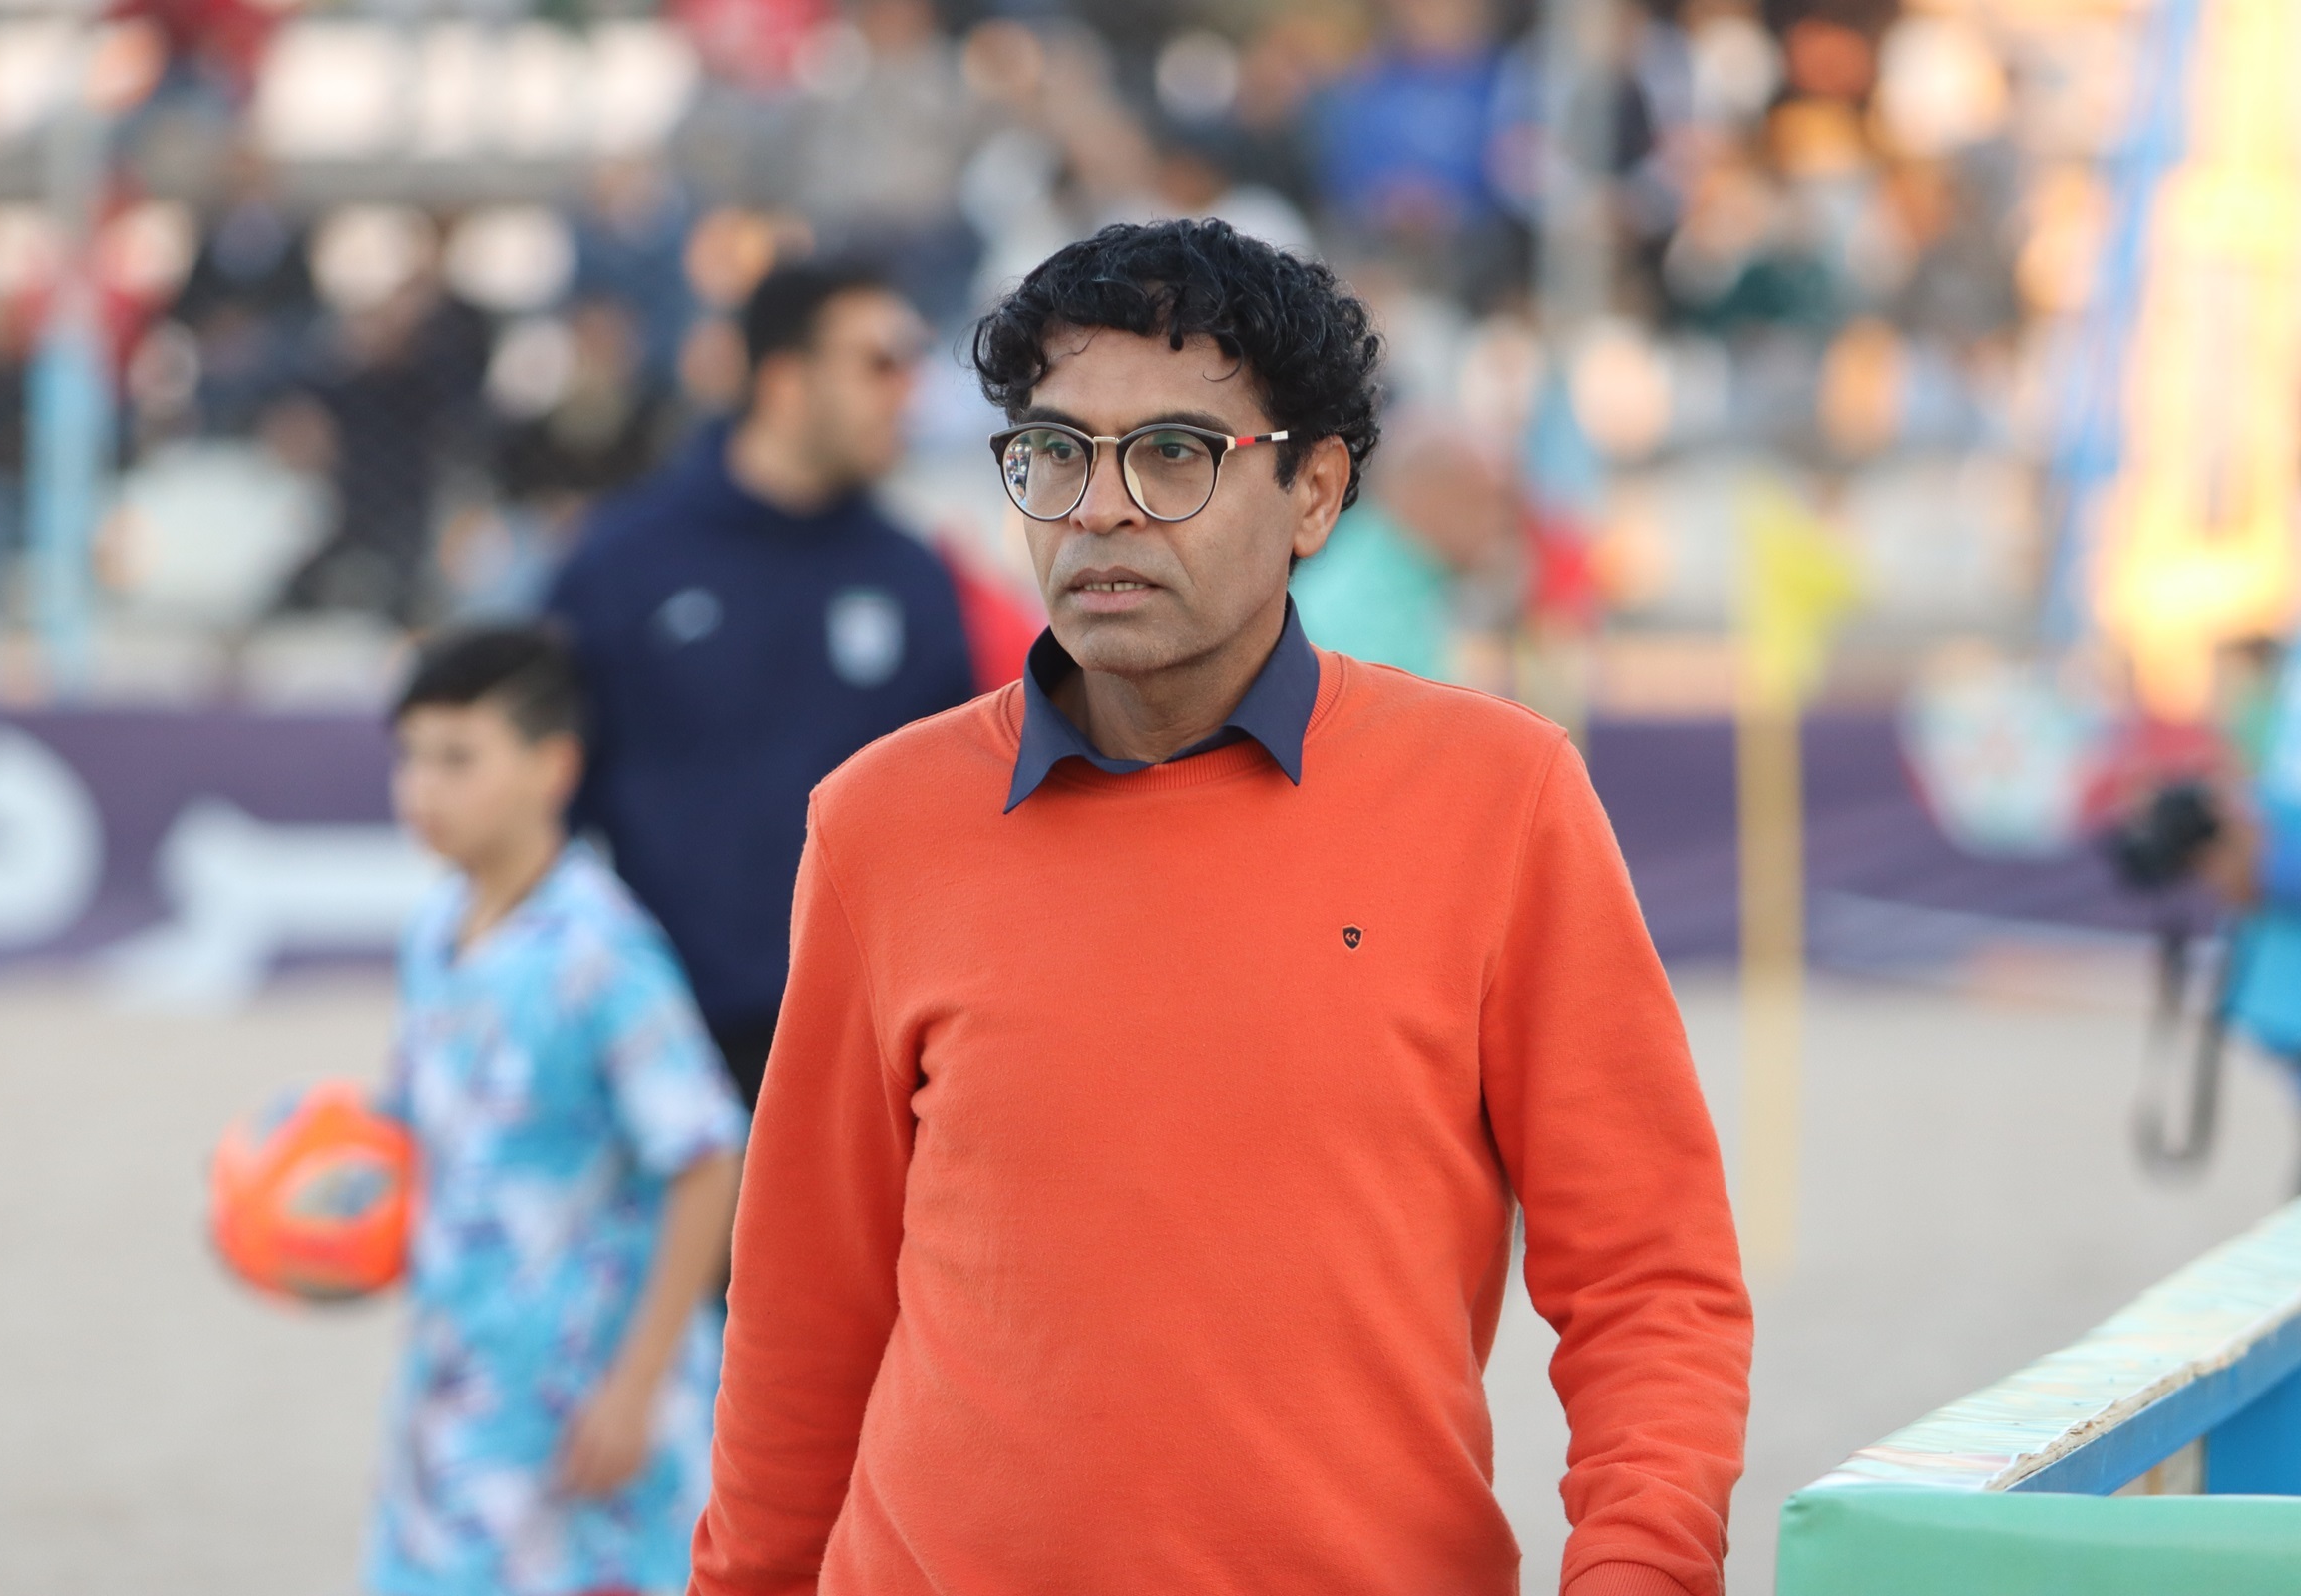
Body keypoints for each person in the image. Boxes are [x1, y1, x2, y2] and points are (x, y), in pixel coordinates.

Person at [693, 219, 1752, 1596]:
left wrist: (1640, 1567)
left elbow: (1649, 1279)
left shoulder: (1502, 797)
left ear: (1315, 492)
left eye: (1175, 454)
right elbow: (801, 1319)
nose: (1100, 508)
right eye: (1055, 452)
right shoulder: (879, 824)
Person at [369, 625, 749, 1596]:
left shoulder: (600, 952)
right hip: (459, 1392)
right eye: (411, 756)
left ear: (554, 766)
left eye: (459, 758)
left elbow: (708, 1154)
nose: (423, 788)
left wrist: (637, 1386)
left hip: (589, 1412)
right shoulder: (432, 930)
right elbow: (411, 1140)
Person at [547, 262, 973, 1106]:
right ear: (785, 381)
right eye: (879, 364)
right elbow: (548, 804)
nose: (907, 393)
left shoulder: (913, 577)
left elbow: (956, 816)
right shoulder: (619, 567)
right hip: (667, 1052)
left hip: (867, 1052)